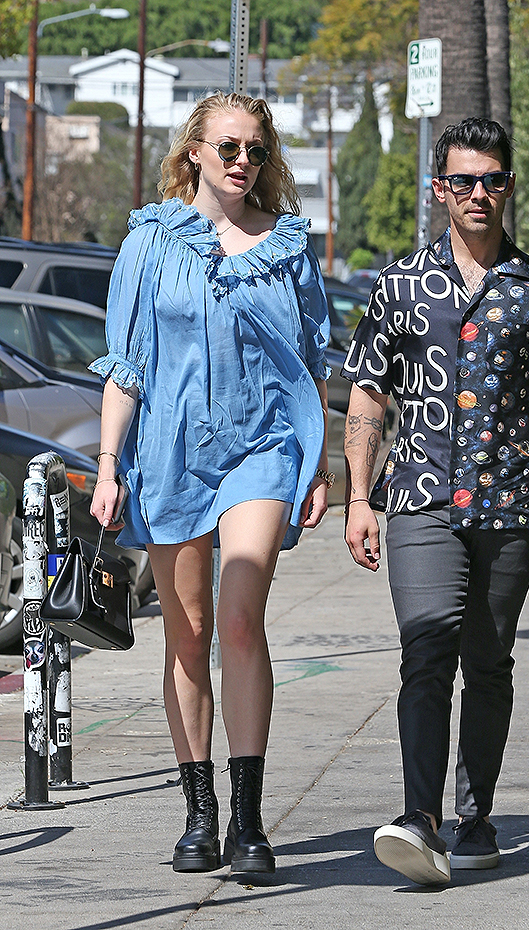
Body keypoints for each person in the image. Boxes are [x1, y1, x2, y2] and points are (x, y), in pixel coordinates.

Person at [341, 117, 529, 886]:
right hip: (419, 498)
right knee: (426, 652)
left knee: (487, 662)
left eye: (491, 179)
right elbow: (368, 393)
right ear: (440, 190)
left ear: (508, 187)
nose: (478, 193)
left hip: (510, 504)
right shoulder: (400, 285)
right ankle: (419, 820)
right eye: (463, 180)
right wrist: (359, 496)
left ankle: (476, 815)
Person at [90, 91, 334, 875]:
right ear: (194, 150)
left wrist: (317, 461)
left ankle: (250, 821)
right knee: (187, 632)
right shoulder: (150, 242)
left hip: (261, 449)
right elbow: (126, 365)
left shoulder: (287, 247)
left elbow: (310, 363)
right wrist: (107, 463)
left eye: (256, 150)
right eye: (228, 147)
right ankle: (200, 814)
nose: (243, 162)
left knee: (238, 617)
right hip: (169, 453)